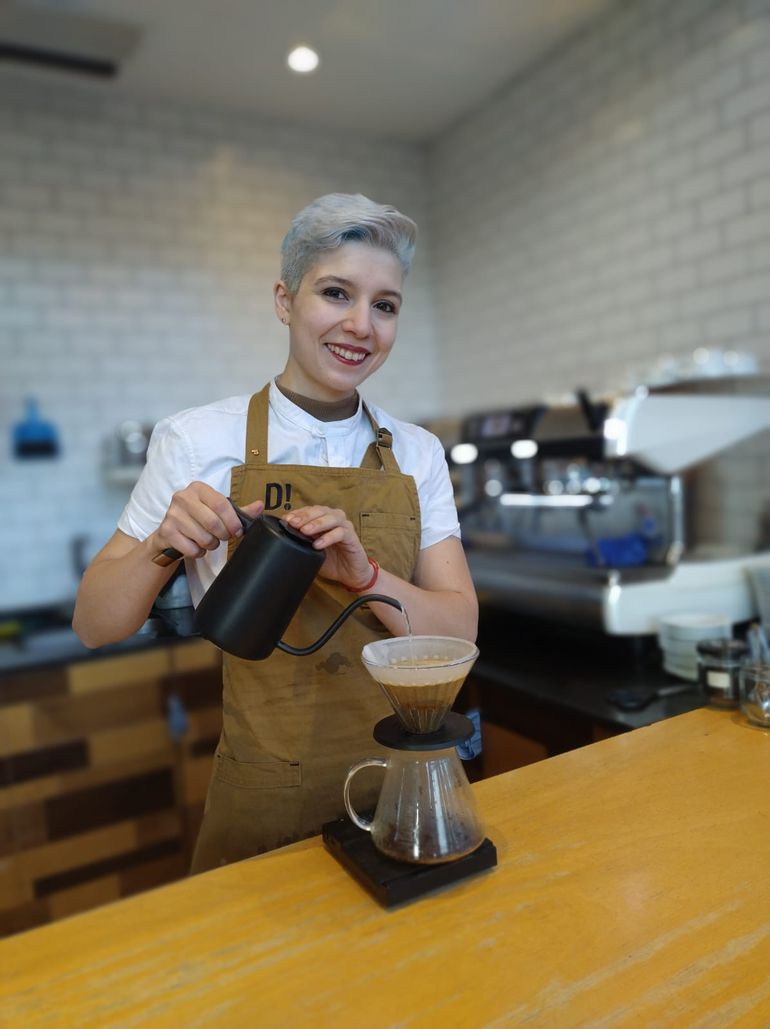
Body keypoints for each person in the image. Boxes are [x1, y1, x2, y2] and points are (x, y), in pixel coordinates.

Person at [72, 192, 478, 872]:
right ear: (285, 299)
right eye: (336, 292)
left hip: (405, 791)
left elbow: (458, 632)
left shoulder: (416, 452)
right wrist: (161, 545)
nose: (360, 325)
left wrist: (363, 574)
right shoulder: (197, 438)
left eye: (385, 304)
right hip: (263, 801)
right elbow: (94, 622)